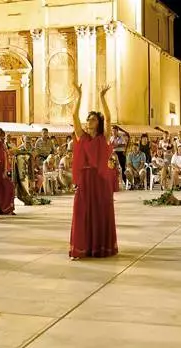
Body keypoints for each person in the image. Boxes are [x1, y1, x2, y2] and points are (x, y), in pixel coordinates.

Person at [69, 83, 118, 259]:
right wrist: (79, 95)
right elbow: (74, 115)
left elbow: (109, 118)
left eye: (93, 119)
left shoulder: (103, 138)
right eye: (88, 118)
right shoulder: (81, 137)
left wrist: (102, 97)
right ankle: (81, 248)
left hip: (100, 180)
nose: (89, 121)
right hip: (85, 179)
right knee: (82, 212)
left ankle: (98, 248)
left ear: (98, 123)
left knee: (99, 213)